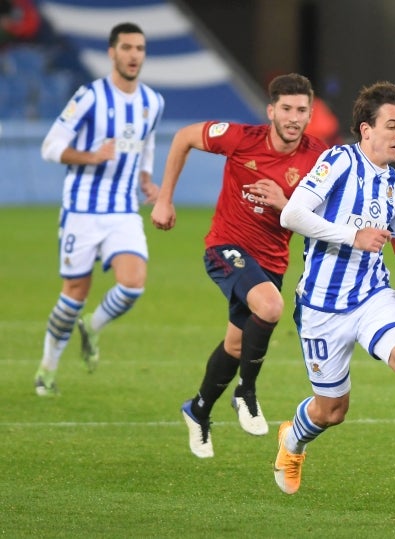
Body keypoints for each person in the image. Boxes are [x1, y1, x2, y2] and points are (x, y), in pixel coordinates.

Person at [275, 81, 395, 509]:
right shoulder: (337, 161)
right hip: (321, 305)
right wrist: (350, 235)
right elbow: (292, 213)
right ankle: (293, 438)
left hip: (372, 295)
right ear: (366, 130)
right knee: (332, 410)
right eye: (391, 125)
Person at [150, 73, 327, 458]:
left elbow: (326, 213)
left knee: (236, 343)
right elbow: (183, 138)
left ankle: (197, 410)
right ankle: (245, 393)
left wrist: (285, 203)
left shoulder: (319, 158)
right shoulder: (239, 138)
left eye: (301, 110)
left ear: (310, 114)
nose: (294, 117)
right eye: (286, 109)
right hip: (226, 247)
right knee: (271, 306)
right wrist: (165, 199)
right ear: (271, 111)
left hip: (271, 261)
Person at [33, 22, 164, 396]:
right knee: (74, 292)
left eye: (139, 48)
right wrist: (91, 156)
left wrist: (145, 179)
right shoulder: (89, 96)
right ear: (112, 53)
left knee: (133, 283)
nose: (134, 55)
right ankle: (47, 369)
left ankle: (92, 327)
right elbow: (50, 146)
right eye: (126, 48)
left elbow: (147, 143)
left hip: (123, 209)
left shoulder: (152, 102)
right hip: (81, 210)